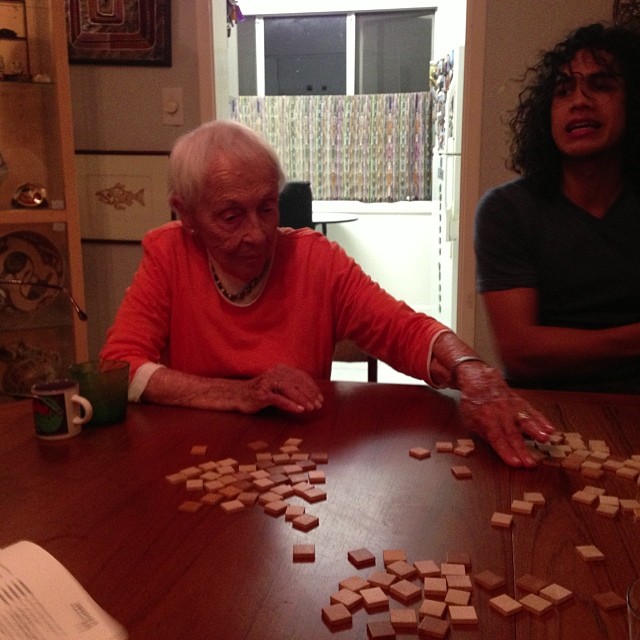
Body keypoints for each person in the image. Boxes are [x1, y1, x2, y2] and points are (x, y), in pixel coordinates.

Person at [100, 119, 553, 467]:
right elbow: (120, 366)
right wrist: (238, 394)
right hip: (189, 458)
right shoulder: (167, 254)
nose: (258, 234)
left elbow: (402, 329)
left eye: (267, 207)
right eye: (231, 216)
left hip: (297, 462)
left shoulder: (317, 261)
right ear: (187, 213)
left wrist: (472, 370)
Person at [475, 22, 640, 392]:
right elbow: (520, 352)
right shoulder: (506, 210)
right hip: (543, 408)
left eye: (601, 85)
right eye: (563, 91)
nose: (579, 100)